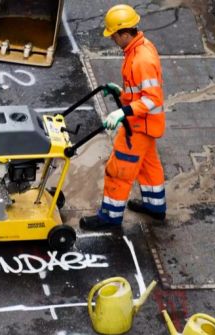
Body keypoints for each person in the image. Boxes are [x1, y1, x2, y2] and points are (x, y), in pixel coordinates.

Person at [80, 4, 166, 230]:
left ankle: (110, 216)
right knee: (148, 168)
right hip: (147, 126)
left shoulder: (141, 60)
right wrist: (122, 93)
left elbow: (151, 99)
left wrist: (122, 112)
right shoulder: (141, 48)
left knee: (118, 171)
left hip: (137, 127)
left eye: (114, 36)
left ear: (125, 33)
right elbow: (140, 92)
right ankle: (155, 207)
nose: (113, 40)